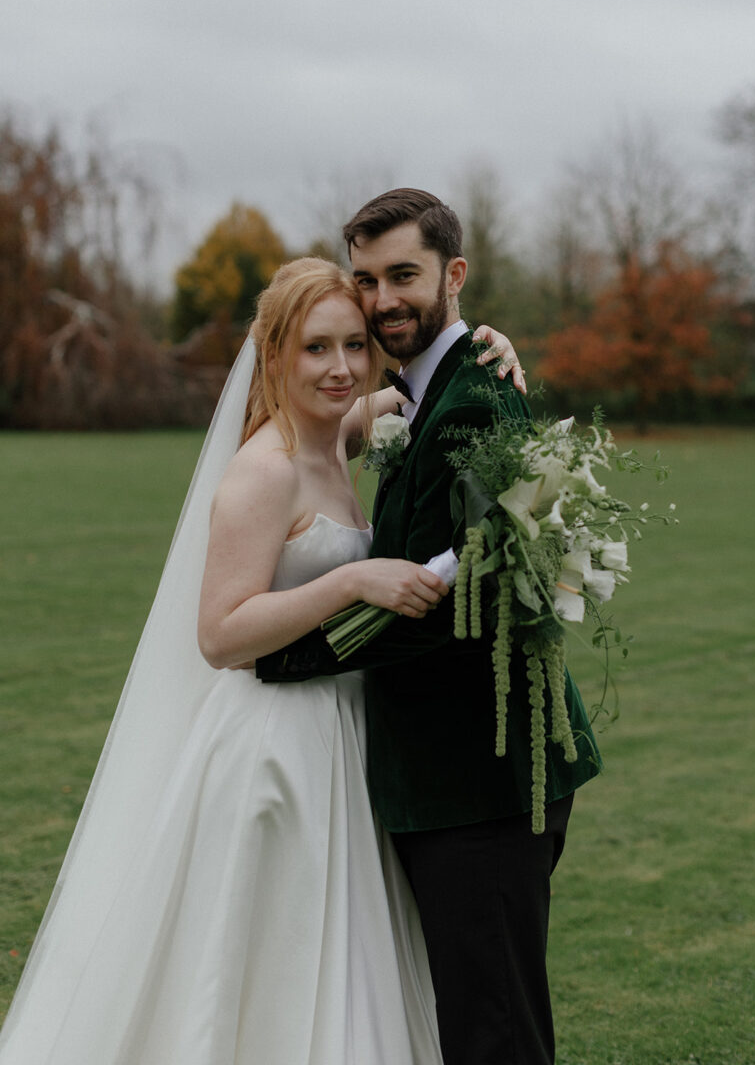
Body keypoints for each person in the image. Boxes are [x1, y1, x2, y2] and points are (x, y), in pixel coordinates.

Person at [0, 255, 519, 1065]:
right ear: (273, 355)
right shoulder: (265, 470)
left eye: (354, 345)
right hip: (275, 749)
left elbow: (426, 387)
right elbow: (220, 635)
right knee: (269, 963)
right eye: (316, 348)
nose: (341, 367)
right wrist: (352, 580)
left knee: (344, 958)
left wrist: (487, 347)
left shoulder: (336, 434)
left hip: (342, 732)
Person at [256, 190, 602, 1065]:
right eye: (367, 280)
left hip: (477, 780)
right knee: (468, 1013)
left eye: (403, 275)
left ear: (454, 275)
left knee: (493, 1033)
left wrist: (283, 653)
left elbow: (448, 608)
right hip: (445, 775)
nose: (382, 301)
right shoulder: (423, 391)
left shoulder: (472, 400)